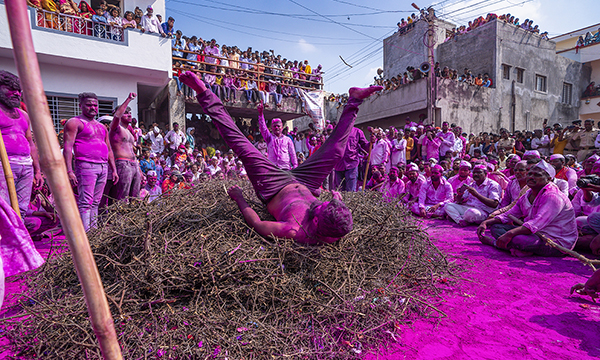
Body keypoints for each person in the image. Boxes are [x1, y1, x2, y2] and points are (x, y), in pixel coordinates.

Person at [179, 71, 381, 244]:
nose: (320, 204)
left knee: (242, 146)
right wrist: (336, 200)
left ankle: (204, 93)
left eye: (321, 207)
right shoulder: (339, 221)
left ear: (317, 223)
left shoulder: (294, 230)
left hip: (273, 187)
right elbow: (336, 210)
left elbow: (257, 224)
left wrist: (240, 198)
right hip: (305, 180)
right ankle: (354, 101)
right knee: (336, 151)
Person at [477, 160, 577, 257]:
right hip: (535, 234)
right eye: (530, 174)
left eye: (537, 175)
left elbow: (535, 224)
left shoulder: (552, 196)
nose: (531, 177)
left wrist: (510, 234)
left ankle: (496, 243)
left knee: (519, 240)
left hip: (554, 241)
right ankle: (517, 248)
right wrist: (486, 222)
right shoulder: (528, 193)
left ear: (549, 179)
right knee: (496, 227)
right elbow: (510, 214)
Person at [63, 92, 118, 230]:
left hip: (103, 167)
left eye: (95, 105)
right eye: (88, 105)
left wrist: (114, 170)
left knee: (96, 202)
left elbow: (109, 150)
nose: (92, 107)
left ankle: (93, 233)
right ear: (80, 106)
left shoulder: (102, 127)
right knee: (86, 202)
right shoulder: (74, 123)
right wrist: (69, 170)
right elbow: (68, 148)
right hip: (85, 165)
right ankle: (86, 233)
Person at [0, 71, 43, 217]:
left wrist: (37, 170)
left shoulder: (23, 115)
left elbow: (30, 143)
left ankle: (18, 238)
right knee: (4, 209)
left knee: (22, 208)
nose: (17, 93)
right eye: (11, 89)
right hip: (4, 165)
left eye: (19, 90)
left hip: (26, 166)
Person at [107, 93, 141, 201]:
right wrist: (128, 100)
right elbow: (117, 116)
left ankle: (132, 218)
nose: (129, 115)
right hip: (122, 164)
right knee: (122, 197)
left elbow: (132, 151)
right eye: (126, 113)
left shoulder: (129, 132)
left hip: (133, 164)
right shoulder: (116, 128)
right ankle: (119, 218)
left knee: (135, 197)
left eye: (130, 113)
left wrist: (139, 169)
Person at [257, 103, 297, 170]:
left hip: (285, 168)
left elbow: (292, 154)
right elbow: (263, 128)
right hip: (273, 168)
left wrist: (295, 165)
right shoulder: (269, 138)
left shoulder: (287, 139)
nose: (276, 128)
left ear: (282, 127)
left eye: (278, 126)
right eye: (274, 126)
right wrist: (261, 114)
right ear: (272, 128)